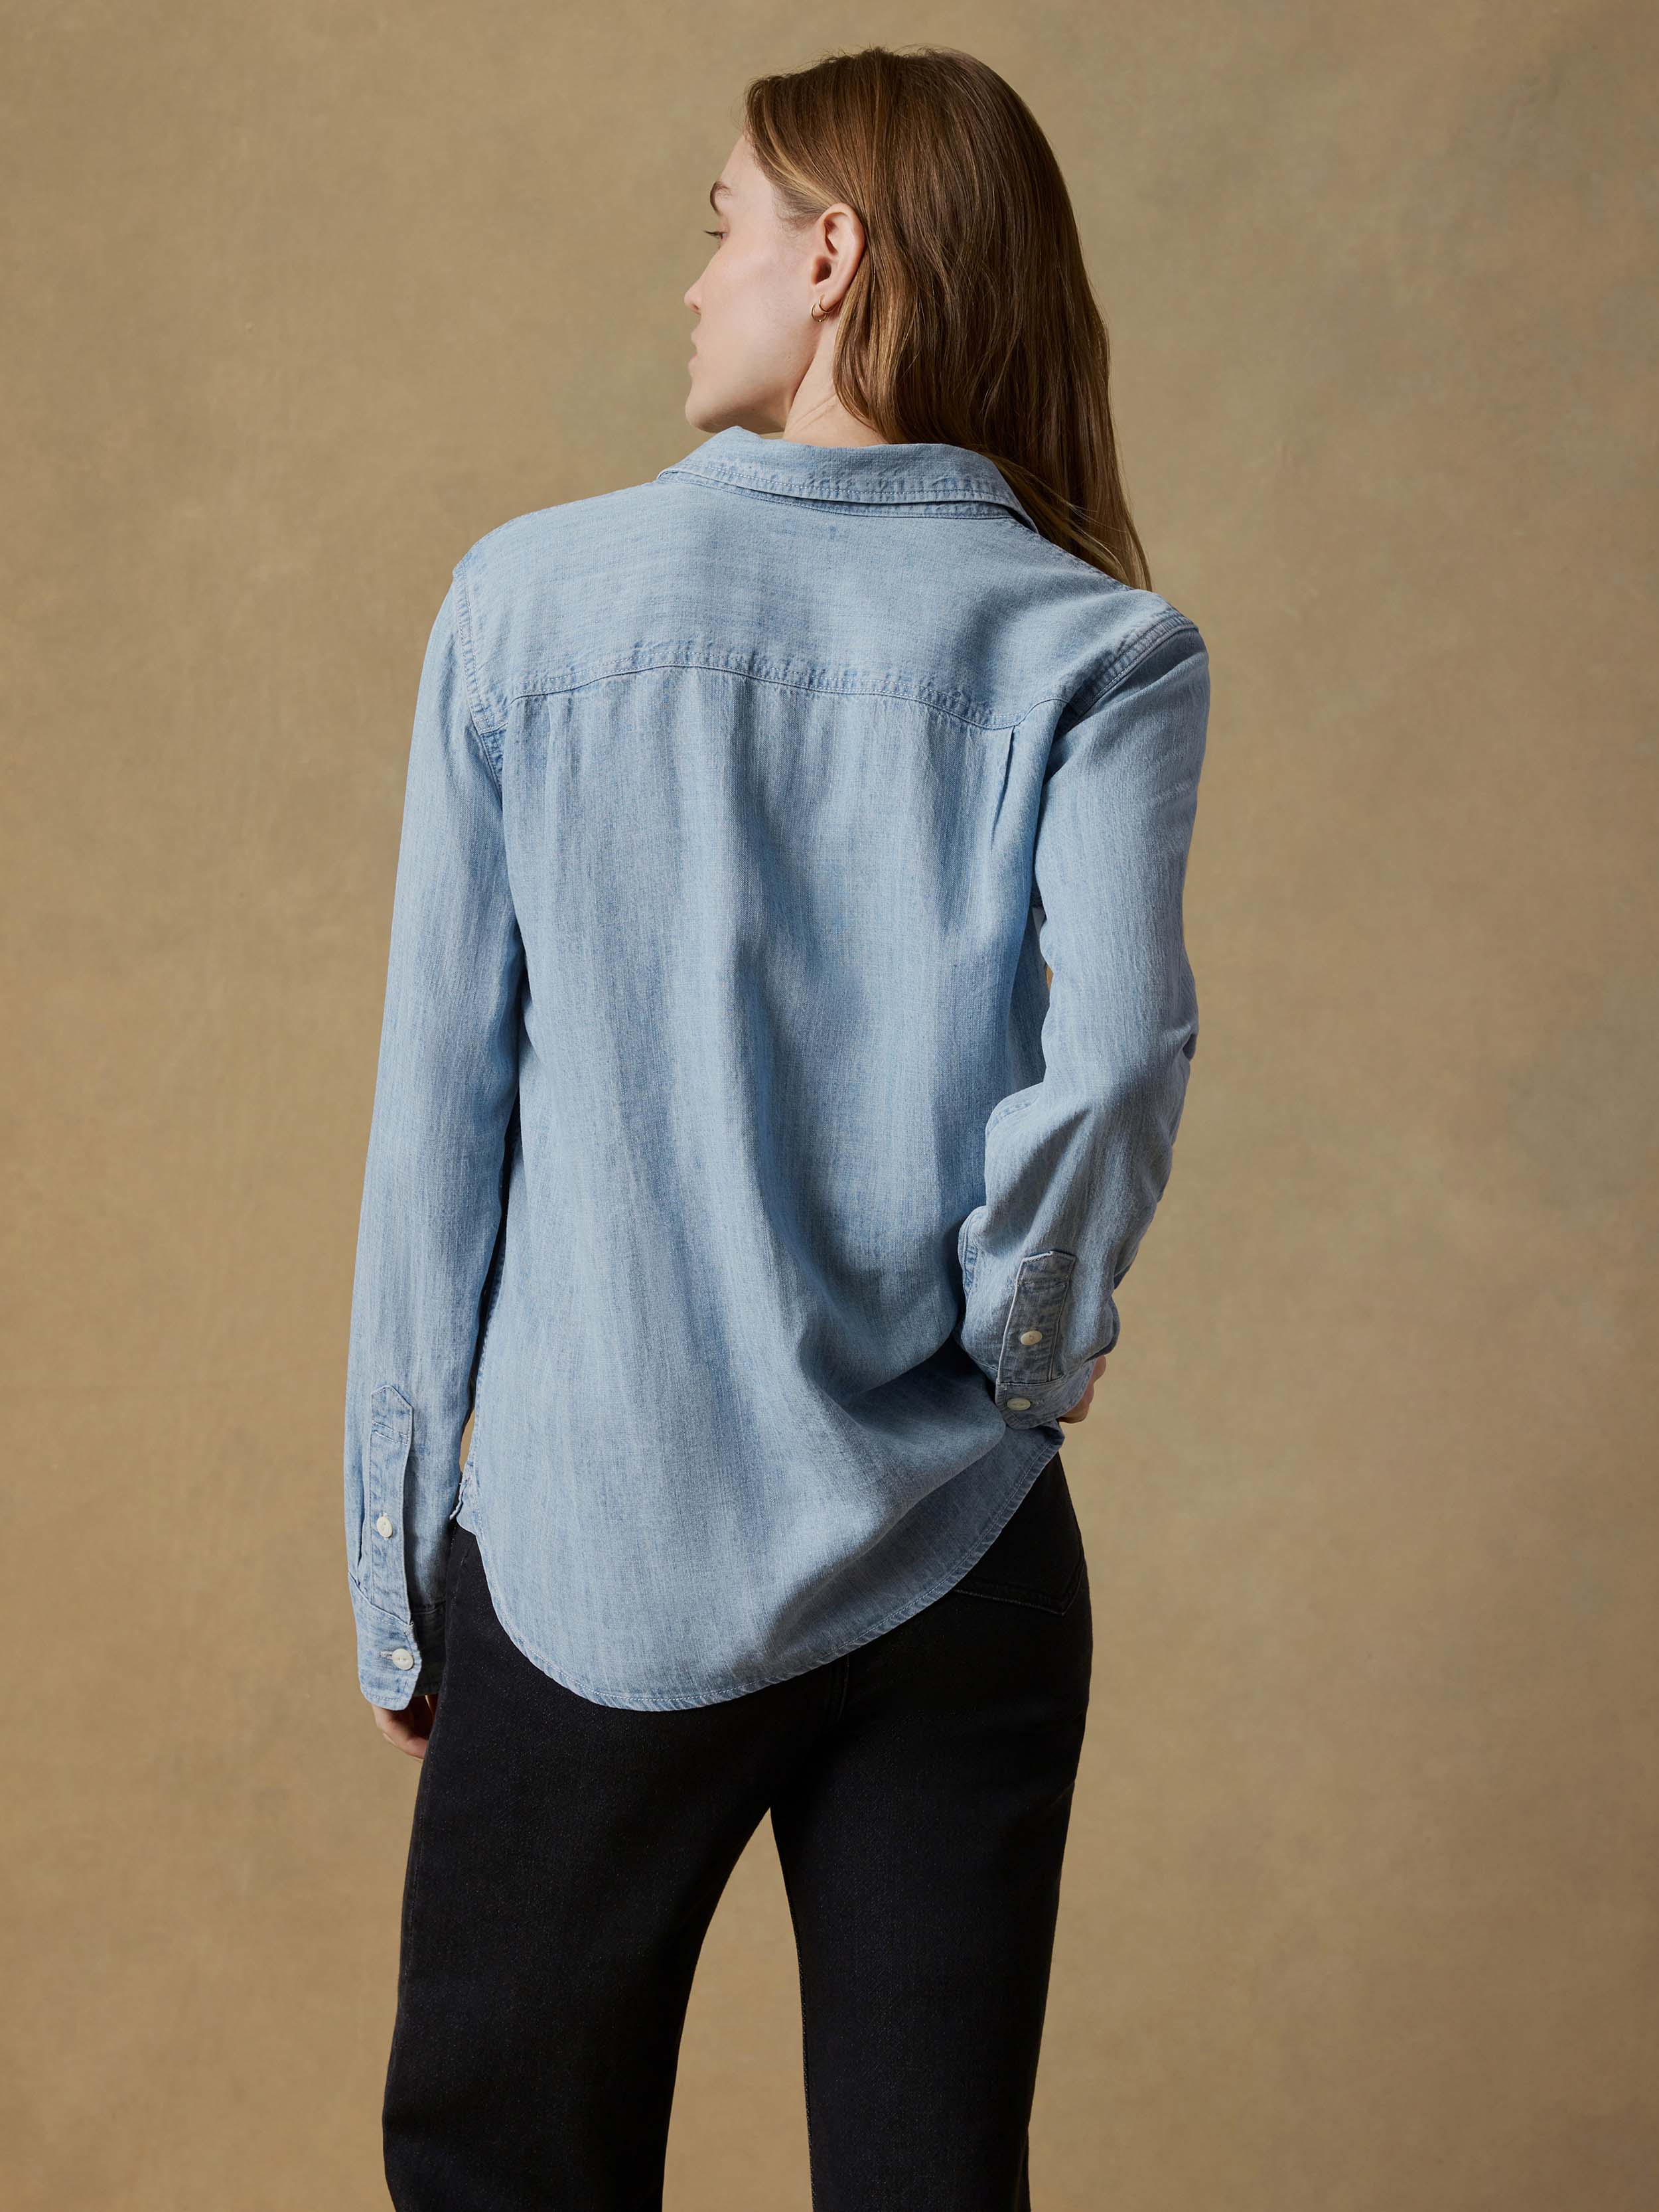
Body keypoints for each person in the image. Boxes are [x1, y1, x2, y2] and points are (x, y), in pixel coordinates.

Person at [344, 42, 1210, 2212]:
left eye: (722, 222)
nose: (696, 277)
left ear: (830, 258)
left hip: (589, 1554)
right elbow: (1117, 1054)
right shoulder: (1102, 647)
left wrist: (399, 1567)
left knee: (501, 2175)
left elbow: (438, 1123)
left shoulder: (525, 603)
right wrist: (1019, 1354)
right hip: (956, 1554)